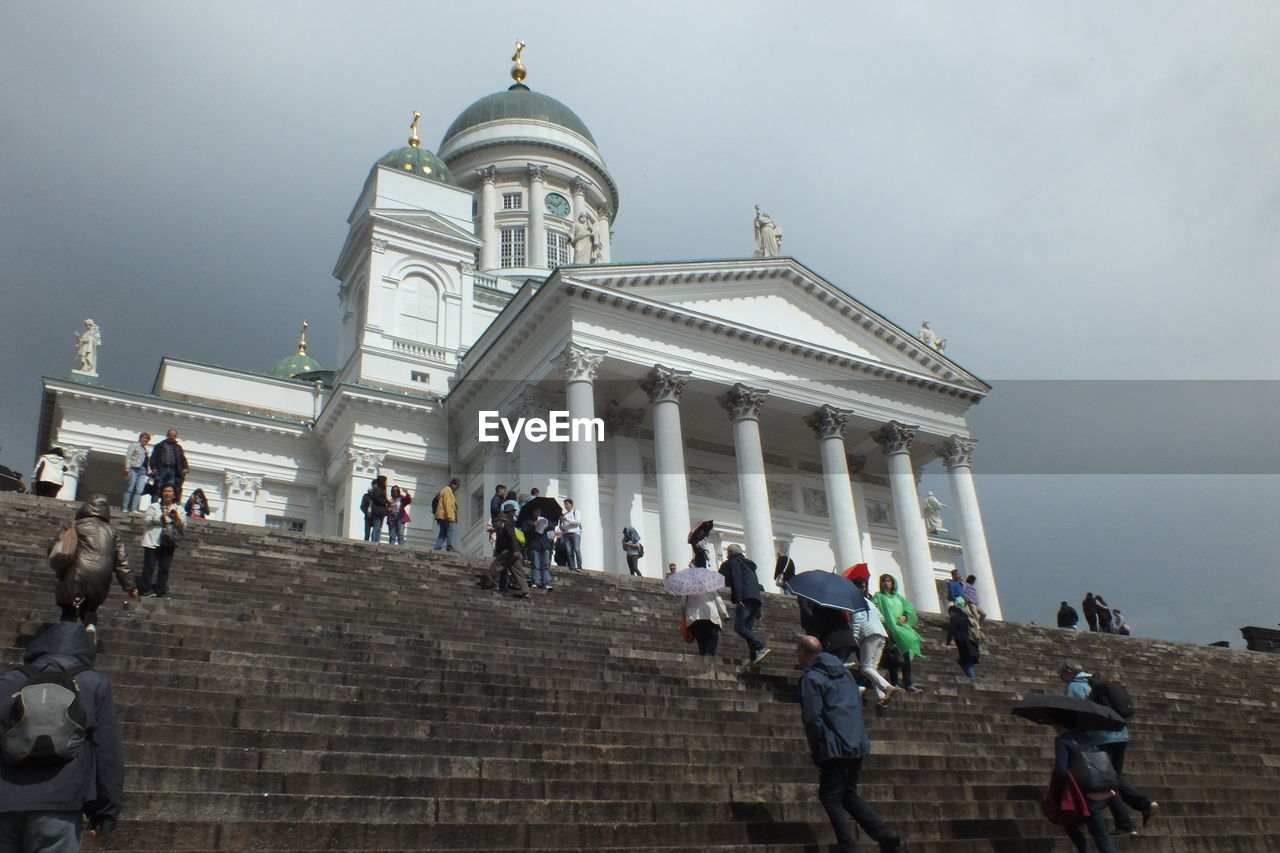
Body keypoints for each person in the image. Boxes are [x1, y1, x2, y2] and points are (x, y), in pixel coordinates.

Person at [0, 622, 126, 845]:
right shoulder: (94, 683)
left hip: (6, 800)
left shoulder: (11, 680)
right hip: (61, 803)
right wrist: (106, 811)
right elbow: (108, 751)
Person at [796, 636, 904, 853]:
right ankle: (885, 835)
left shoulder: (812, 678)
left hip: (834, 745)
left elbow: (812, 718)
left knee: (830, 797)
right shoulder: (846, 674)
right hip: (856, 741)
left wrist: (817, 749)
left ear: (803, 654)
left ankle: (848, 847)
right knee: (848, 794)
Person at [1058, 662, 1159, 836]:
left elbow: (1074, 715)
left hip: (1100, 737)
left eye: (1062, 676)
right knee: (1111, 779)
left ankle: (1142, 805)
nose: (1062, 681)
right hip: (1120, 733)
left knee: (1107, 780)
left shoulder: (1074, 687)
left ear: (1069, 671)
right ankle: (1125, 823)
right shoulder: (1097, 682)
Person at [54, 495, 138, 632]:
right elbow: (122, 561)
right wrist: (130, 585)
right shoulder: (112, 532)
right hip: (102, 575)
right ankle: (90, 625)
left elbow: (56, 545)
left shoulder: (74, 524)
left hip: (77, 571)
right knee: (90, 607)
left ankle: (65, 636)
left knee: (69, 608)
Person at [1044, 709, 1122, 853]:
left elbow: (1061, 771)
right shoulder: (1086, 736)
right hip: (1100, 790)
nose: (1053, 726)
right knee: (1102, 837)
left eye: (1053, 722)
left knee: (1069, 823)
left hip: (1080, 793)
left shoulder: (1063, 740)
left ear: (1060, 723)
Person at [850, 576, 898, 708]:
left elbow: (857, 618)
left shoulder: (855, 601)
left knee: (866, 668)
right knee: (872, 668)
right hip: (881, 634)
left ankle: (887, 687)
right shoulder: (869, 602)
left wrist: (854, 635)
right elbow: (882, 618)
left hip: (869, 634)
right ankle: (882, 698)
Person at [872, 574, 924, 693]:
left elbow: (908, 608)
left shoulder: (899, 598)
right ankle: (895, 682)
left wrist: (904, 617)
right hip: (889, 630)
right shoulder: (878, 596)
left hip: (901, 630)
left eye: (888, 581)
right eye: (883, 581)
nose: (885, 583)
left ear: (892, 583)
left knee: (905, 656)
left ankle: (908, 683)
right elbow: (874, 608)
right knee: (893, 658)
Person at [720, 544, 769, 665]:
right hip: (755, 598)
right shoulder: (749, 565)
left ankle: (760, 646)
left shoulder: (734, 562)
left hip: (745, 598)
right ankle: (754, 656)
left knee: (739, 626)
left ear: (729, 554)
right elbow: (755, 585)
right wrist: (758, 612)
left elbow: (736, 578)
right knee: (748, 629)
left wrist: (738, 598)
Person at [138, 484, 183, 598]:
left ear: (174, 495)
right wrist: (161, 517)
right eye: (165, 491)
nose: (167, 494)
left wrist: (176, 518)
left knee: (164, 568)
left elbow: (184, 525)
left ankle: (160, 590)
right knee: (149, 567)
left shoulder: (179, 509)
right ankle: (145, 589)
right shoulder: (154, 506)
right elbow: (147, 521)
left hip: (168, 542)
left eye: (169, 491)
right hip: (152, 540)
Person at [483, 501, 528, 598]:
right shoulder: (509, 523)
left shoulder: (507, 524)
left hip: (510, 551)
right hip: (513, 551)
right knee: (517, 570)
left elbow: (512, 537)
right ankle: (526, 591)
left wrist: (515, 550)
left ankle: (490, 583)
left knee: (495, 565)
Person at [683, 586, 728, 657]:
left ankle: (704, 659)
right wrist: (725, 615)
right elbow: (718, 601)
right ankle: (708, 658)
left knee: (702, 644)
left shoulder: (688, 588)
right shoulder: (709, 587)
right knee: (712, 640)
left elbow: (682, 605)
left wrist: (684, 614)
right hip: (710, 617)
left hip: (695, 620)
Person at [944, 600, 981, 678]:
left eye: (949, 614)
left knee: (966, 662)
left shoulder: (955, 618)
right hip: (972, 643)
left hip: (964, 644)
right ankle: (971, 677)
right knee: (963, 661)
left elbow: (951, 630)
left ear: (951, 612)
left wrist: (948, 643)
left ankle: (972, 679)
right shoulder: (965, 617)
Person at [149, 429, 189, 501]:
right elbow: (153, 458)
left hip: (173, 470)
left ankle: (166, 506)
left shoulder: (178, 447)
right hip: (162, 469)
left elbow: (182, 458)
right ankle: (154, 505)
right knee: (158, 488)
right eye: (171, 435)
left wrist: (186, 467)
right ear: (167, 435)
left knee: (169, 490)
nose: (172, 437)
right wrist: (153, 468)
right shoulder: (159, 446)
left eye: (174, 436)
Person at [522, 505, 554, 590]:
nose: (538, 514)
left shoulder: (544, 519)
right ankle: (535, 581)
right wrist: (534, 526)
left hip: (544, 544)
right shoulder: (528, 521)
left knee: (545, 565)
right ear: (533, 512)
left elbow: (552, 526)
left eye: (540, 512)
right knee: (535, 564)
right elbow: (524, 531)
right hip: (534, 544)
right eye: (537, 512)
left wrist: (546, 526)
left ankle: (546, 582)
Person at [122, 432, 151, 512]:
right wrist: (127, 467)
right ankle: (125, 507)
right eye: (144, 438)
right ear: (140, 438)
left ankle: (134, 508)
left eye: (147, 439)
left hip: (143, 471)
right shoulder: (134, 445)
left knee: (139, 490)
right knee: (130, 488)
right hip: (134, 468)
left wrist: (149, 471)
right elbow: (129, 456)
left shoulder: (146, 450)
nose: (145, 440)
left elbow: (147, 461)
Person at [433, 478, 460, 551]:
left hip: (442, 515)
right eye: (457, 486)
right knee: (451, 530)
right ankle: (449, 546)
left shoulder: (446, 490)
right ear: (453, 484)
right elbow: (447, 504)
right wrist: (450, 516)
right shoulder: (448, 490)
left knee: (443, 532)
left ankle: (437, 547)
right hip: (446, 515)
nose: (457, 489)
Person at [558, 498, 582, 572]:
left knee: (576, 549)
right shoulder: (564, 514)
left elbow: (577, 522)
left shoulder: (576, 512)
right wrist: (561, 522)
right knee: (569, 551)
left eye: (567, 504)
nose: (565, 506)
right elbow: (562, 528)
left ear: (571, 504)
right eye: (565, 504)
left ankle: (579, 566)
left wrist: (567, 520)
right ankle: (572, 566)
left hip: (575, 533)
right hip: (567, 534)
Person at [367, 476, 389, 543]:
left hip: (380, 512)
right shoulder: (379, 489)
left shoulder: (381, 489)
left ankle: (376, 540)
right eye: (385, 481)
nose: (387, 482)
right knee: (376, 527)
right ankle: (374, 541)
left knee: (379, 528)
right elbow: (377, 499)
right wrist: (385, 501)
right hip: (378, 511)